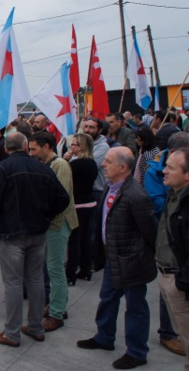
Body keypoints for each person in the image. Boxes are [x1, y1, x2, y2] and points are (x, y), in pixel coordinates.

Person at [0, 132, 70, 347]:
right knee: (35, 280)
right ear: (25, 146)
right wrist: (45, 215)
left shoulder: (2, 169)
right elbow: (63, 199)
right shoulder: (42, 167)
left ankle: (12, 333)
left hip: (12, 234)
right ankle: (35, 327)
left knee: (14, 282)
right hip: (37, 232)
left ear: (6, 148)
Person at [77, 147, 158, 370]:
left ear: (122, 167)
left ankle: (137, 352)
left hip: (132, 261)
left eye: (109, 161)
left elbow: (151, 231)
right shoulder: (109, 186)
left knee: (135, 306)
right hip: (112, 257)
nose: (103, 164)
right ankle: (104, 337)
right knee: (107, 299)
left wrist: (144, 256)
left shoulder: (136, 195)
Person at [142, 131, 189, 356]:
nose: (166, 171)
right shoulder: (157, 174)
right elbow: (156, 203)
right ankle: (168, 334)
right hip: (169, 257)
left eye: (172, 168)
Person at [28, 131, 78, 332]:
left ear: (46, 147)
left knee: (55, 268)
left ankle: (57, 313)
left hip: (58, 223)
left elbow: (61, 198)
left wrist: (42, 214)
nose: (30, 153)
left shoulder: (60, 165)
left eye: (33, 149)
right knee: (52, 267)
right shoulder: (48, 165)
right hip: (51, 223)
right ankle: (58, 305)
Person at [156, 148, 189, 368]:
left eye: (170, 167)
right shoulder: (174, 194)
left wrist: (182, 281)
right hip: (168, 275)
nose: (163, 171)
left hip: (180, 281)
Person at [65, 133, 100, 285]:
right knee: (85, 238)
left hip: (77, 205)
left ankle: (70, 273)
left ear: (81, 147)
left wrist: (65, 160)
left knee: (74, 240)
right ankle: (85, 269)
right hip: (89, 203)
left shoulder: (76, 164)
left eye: (73, 145)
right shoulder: (91, 162)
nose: (70, 147)